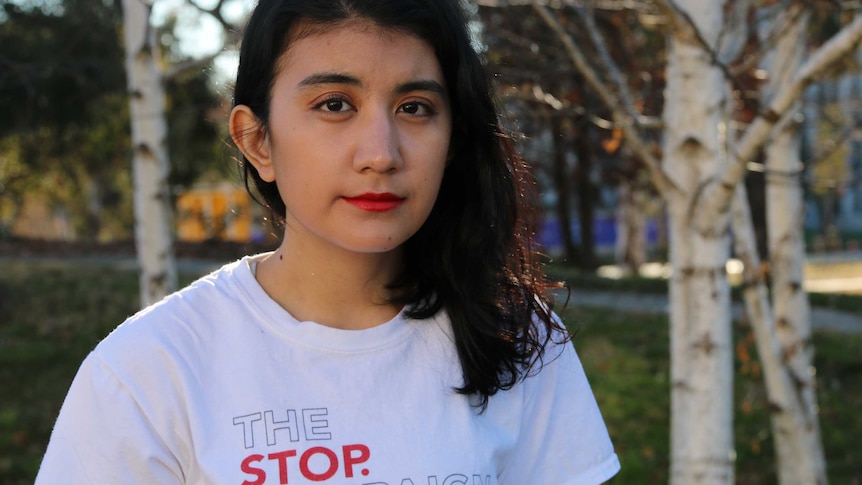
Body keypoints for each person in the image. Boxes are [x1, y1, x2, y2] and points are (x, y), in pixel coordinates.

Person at [35, 0, 620, 483]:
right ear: (257, 140)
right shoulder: (149, 370)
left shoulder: (515, 336)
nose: (381, 154)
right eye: (334, 104)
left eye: (415, 108)